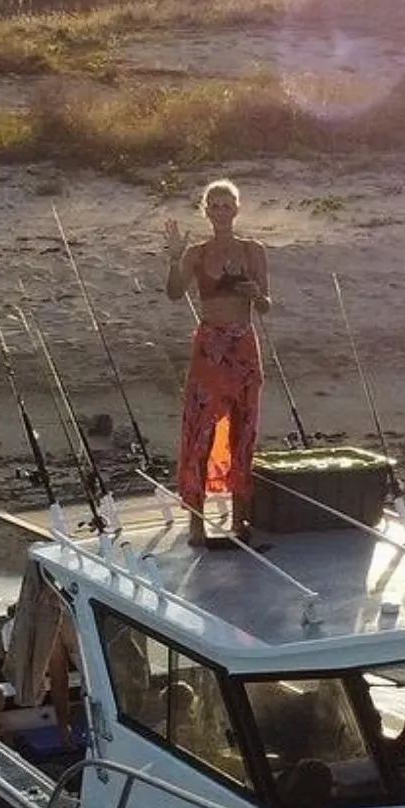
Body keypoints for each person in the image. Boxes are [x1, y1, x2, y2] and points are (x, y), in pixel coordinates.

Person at [164, 178, 271, 546]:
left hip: (242, 345)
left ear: (237, 210)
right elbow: (175, 294)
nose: (222, 212)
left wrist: (256, 294)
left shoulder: (252, 250)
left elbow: (266, 305)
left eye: (228, 206)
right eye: (215, 206)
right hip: (209, 346)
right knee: (201, 431)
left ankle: (240, 517)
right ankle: (196, 522)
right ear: (206, 211)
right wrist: (173, 257)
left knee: (244, 431)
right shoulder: (196, 252)